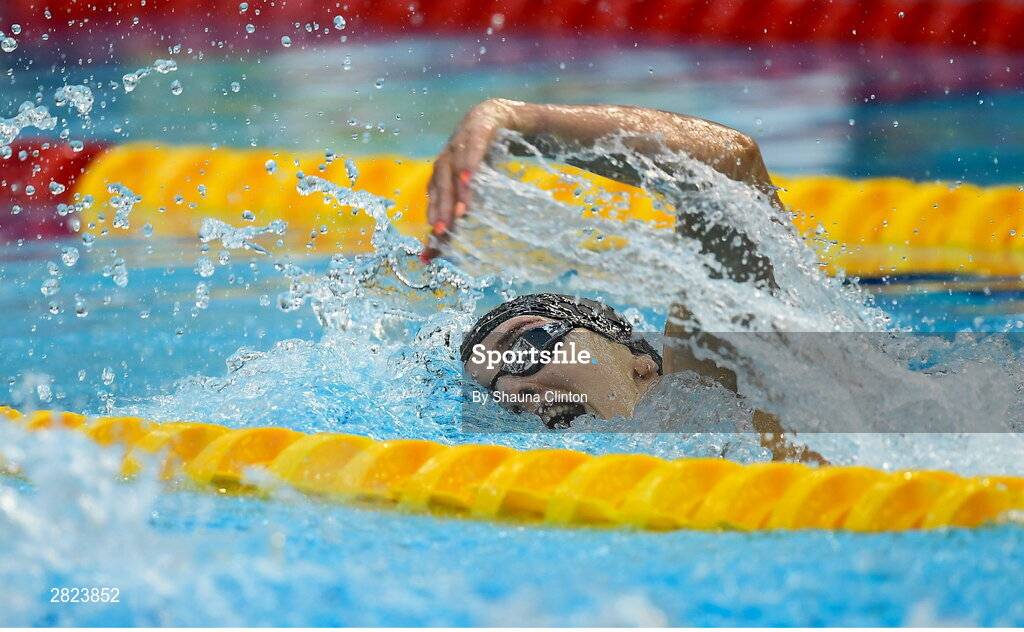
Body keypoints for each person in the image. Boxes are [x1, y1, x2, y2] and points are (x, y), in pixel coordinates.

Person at [424, 99, 824, 463]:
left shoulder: (714, 395)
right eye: (496, 394)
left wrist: (513, 120)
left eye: (523, 347)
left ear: (641, 361)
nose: (511, 392)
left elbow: (727, 169)